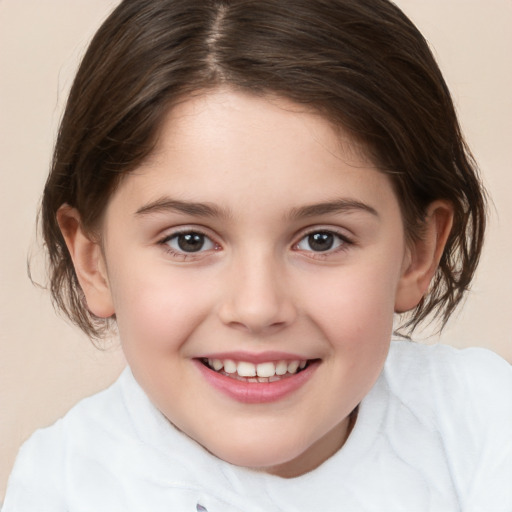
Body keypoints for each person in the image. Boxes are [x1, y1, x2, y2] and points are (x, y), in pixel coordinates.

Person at [3, 0, 511, 510]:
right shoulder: (63, 487)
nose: (257, 307)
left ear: (416, 252)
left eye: (321, 239)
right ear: (94, 263)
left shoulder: (482, 423)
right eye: (189, 240)